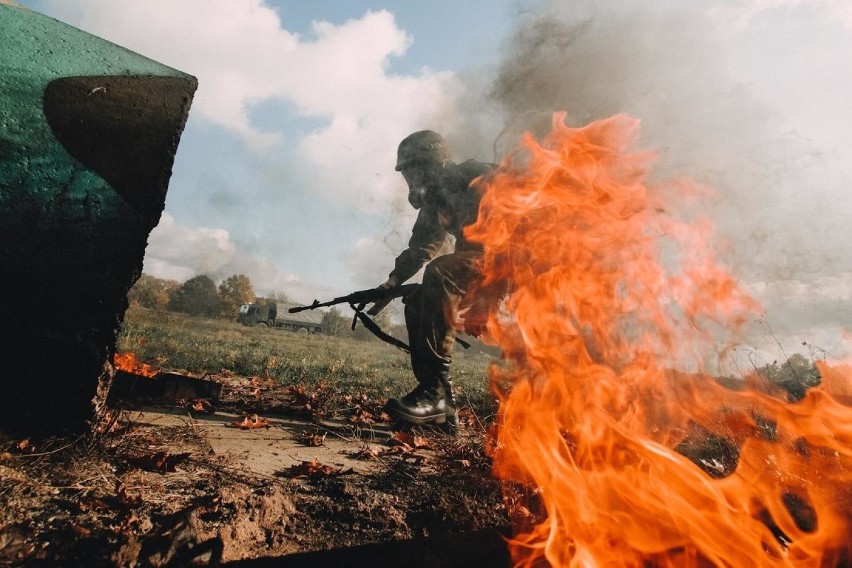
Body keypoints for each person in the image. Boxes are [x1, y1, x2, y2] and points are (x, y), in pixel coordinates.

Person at [367, 130, 496, 431]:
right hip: (485, 264)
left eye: (408, 170)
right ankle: (439, 401)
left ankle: (436, 398)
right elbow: (422, 247)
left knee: (441, 271)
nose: (407, 180)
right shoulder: (436, 202)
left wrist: (487, 297)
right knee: (418, 298)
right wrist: (393, 281)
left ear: (424, 164)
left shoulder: (474, 175)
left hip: (523, 257)